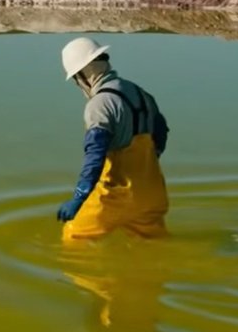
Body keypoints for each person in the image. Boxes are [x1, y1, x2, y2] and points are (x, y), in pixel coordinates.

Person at [56, 37, 170, 240]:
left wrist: (79, 197)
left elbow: (95, 157)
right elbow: (161, 134)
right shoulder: (141, 93)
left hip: (117, 195)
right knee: (151, 246)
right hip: (153, 192)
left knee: (74, 237)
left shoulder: (99, 105)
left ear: (83, 74)